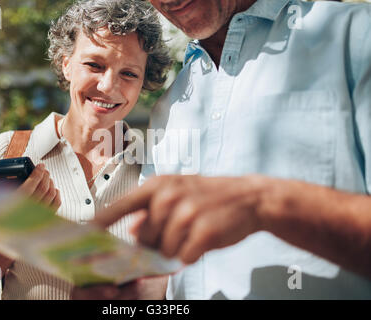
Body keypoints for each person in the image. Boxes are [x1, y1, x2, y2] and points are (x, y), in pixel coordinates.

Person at [94, 0, 371, 299]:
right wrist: (129, 295)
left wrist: (264, 203)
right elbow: (165, 272)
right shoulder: (171, 105)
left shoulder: (357, 35)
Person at [0, 0, 171, 300]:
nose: (108, 86)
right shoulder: (8, 152)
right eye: (94, 65)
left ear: (143, 81)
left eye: (129, 73)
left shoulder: (159, 166)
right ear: (66, 63)